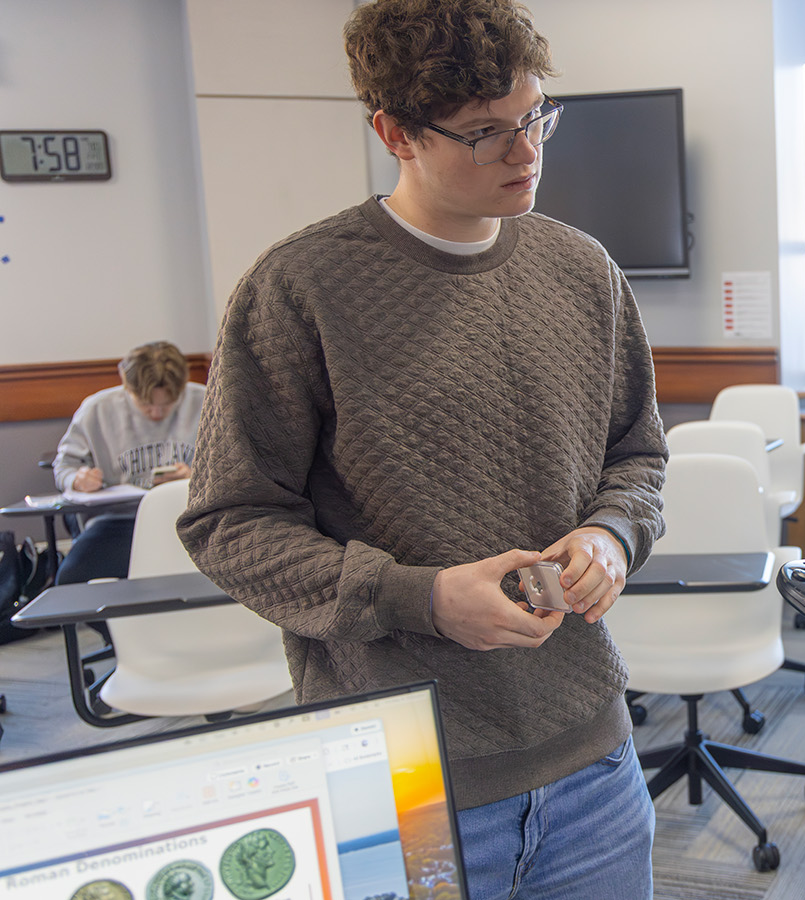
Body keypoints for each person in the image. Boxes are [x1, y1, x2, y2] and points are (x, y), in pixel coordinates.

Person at [176, 1, 667, 897]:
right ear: (394, 132)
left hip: (593, 754)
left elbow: (638, 457)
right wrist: (423, 599)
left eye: (536, 118)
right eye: (485, 134)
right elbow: (228, 523)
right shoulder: (300, 288)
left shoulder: (584, 269)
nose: (526, 153)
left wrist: (611, 536)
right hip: (397, 772)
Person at [52, 340, 204, 585]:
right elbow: (64, 468)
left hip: (189, 517)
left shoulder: (206, 400)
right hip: (119, 523)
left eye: (167, 405)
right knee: (71, 580)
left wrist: (196, 477)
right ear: (124, 380)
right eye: (145, 404)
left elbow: (234, 468)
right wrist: (78, 480)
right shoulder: (96, 410)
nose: (156, 414)